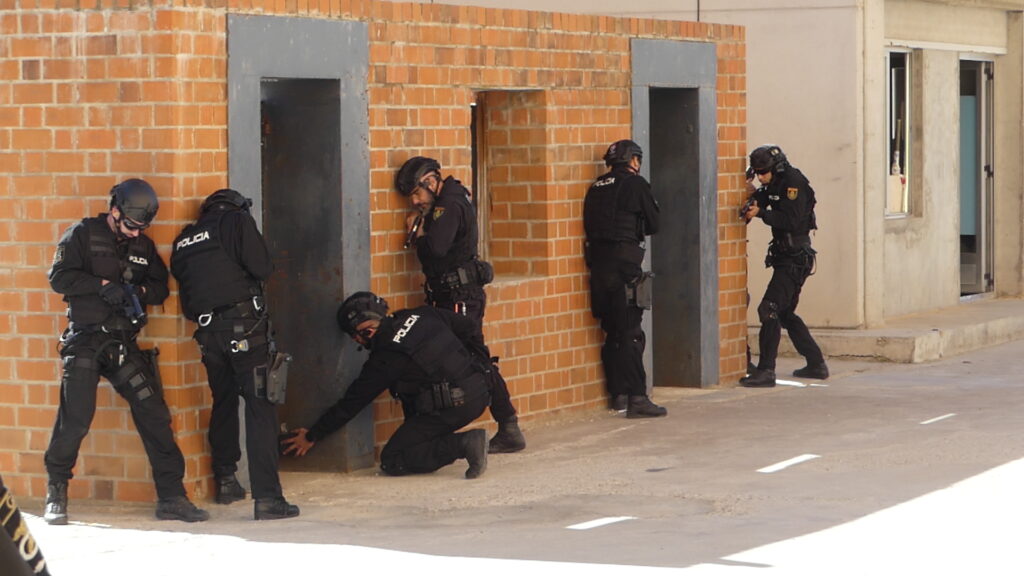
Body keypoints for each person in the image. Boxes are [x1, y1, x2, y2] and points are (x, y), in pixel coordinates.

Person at [44, 179, 208, 524]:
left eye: (141, 227)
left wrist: (137, 290)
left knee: (155, 416)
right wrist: (102, 287)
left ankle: (172, 497)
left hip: (123, 345)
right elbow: (59, 277)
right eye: (131, 225)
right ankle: (56, 490)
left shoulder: (144, 247)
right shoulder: (83, 235)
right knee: (74, 420)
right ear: (115, 211)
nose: (135, 233)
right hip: (86, 341)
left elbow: (161, 289)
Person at [170, 189, 299, 521]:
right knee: (261, 407)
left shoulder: (184, 240)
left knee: (224, 402)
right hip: (244, 330)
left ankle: (226, 479)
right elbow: (262, 267)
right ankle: (268, 498)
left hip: (208, 336)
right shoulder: (236, 222)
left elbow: (187, 303)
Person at [281, 292, 491, 480]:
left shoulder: (386, 357)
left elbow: (352, 402)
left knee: (393, 458)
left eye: (355, 335)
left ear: (364, 330)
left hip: (455, 405)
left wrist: (312, 435)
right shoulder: (420, 314)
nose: (356, 341)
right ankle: (457, 441)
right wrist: (479, 367)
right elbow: (470, 327)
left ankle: (465, 443)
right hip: (480, 391)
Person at [395, 156, 525, 454]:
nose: (415, 201)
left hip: (459, 297)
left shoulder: (448, 206)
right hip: (451, 295)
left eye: (417, 193)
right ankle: (507, 425)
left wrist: (418, 234)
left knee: (475, 358)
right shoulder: (446, 203)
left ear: (431, 182)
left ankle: (508, 425)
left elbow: (436, 250)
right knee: (467, 356)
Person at [583, 140, 667, 418]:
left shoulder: (595, 187)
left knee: (613, 333)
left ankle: (617, 394)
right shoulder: (635, 184)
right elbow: (654, 223)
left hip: (598, 268)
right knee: (631, 333)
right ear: (632, 160)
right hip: (623, 266)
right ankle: (637, 398)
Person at [740, 145, 829, 387]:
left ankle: (766, 371)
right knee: (785, 313)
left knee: (769, 309)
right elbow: (764, 196)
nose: (761, 177)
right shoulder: (774, 183)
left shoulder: (793, 183)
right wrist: (752, 198)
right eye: (757, 172)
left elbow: (790, 219)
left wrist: (760, 214)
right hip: (785, 256)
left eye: (763, 172)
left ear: (776, 168)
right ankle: (816, 363)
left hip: (795, 257)